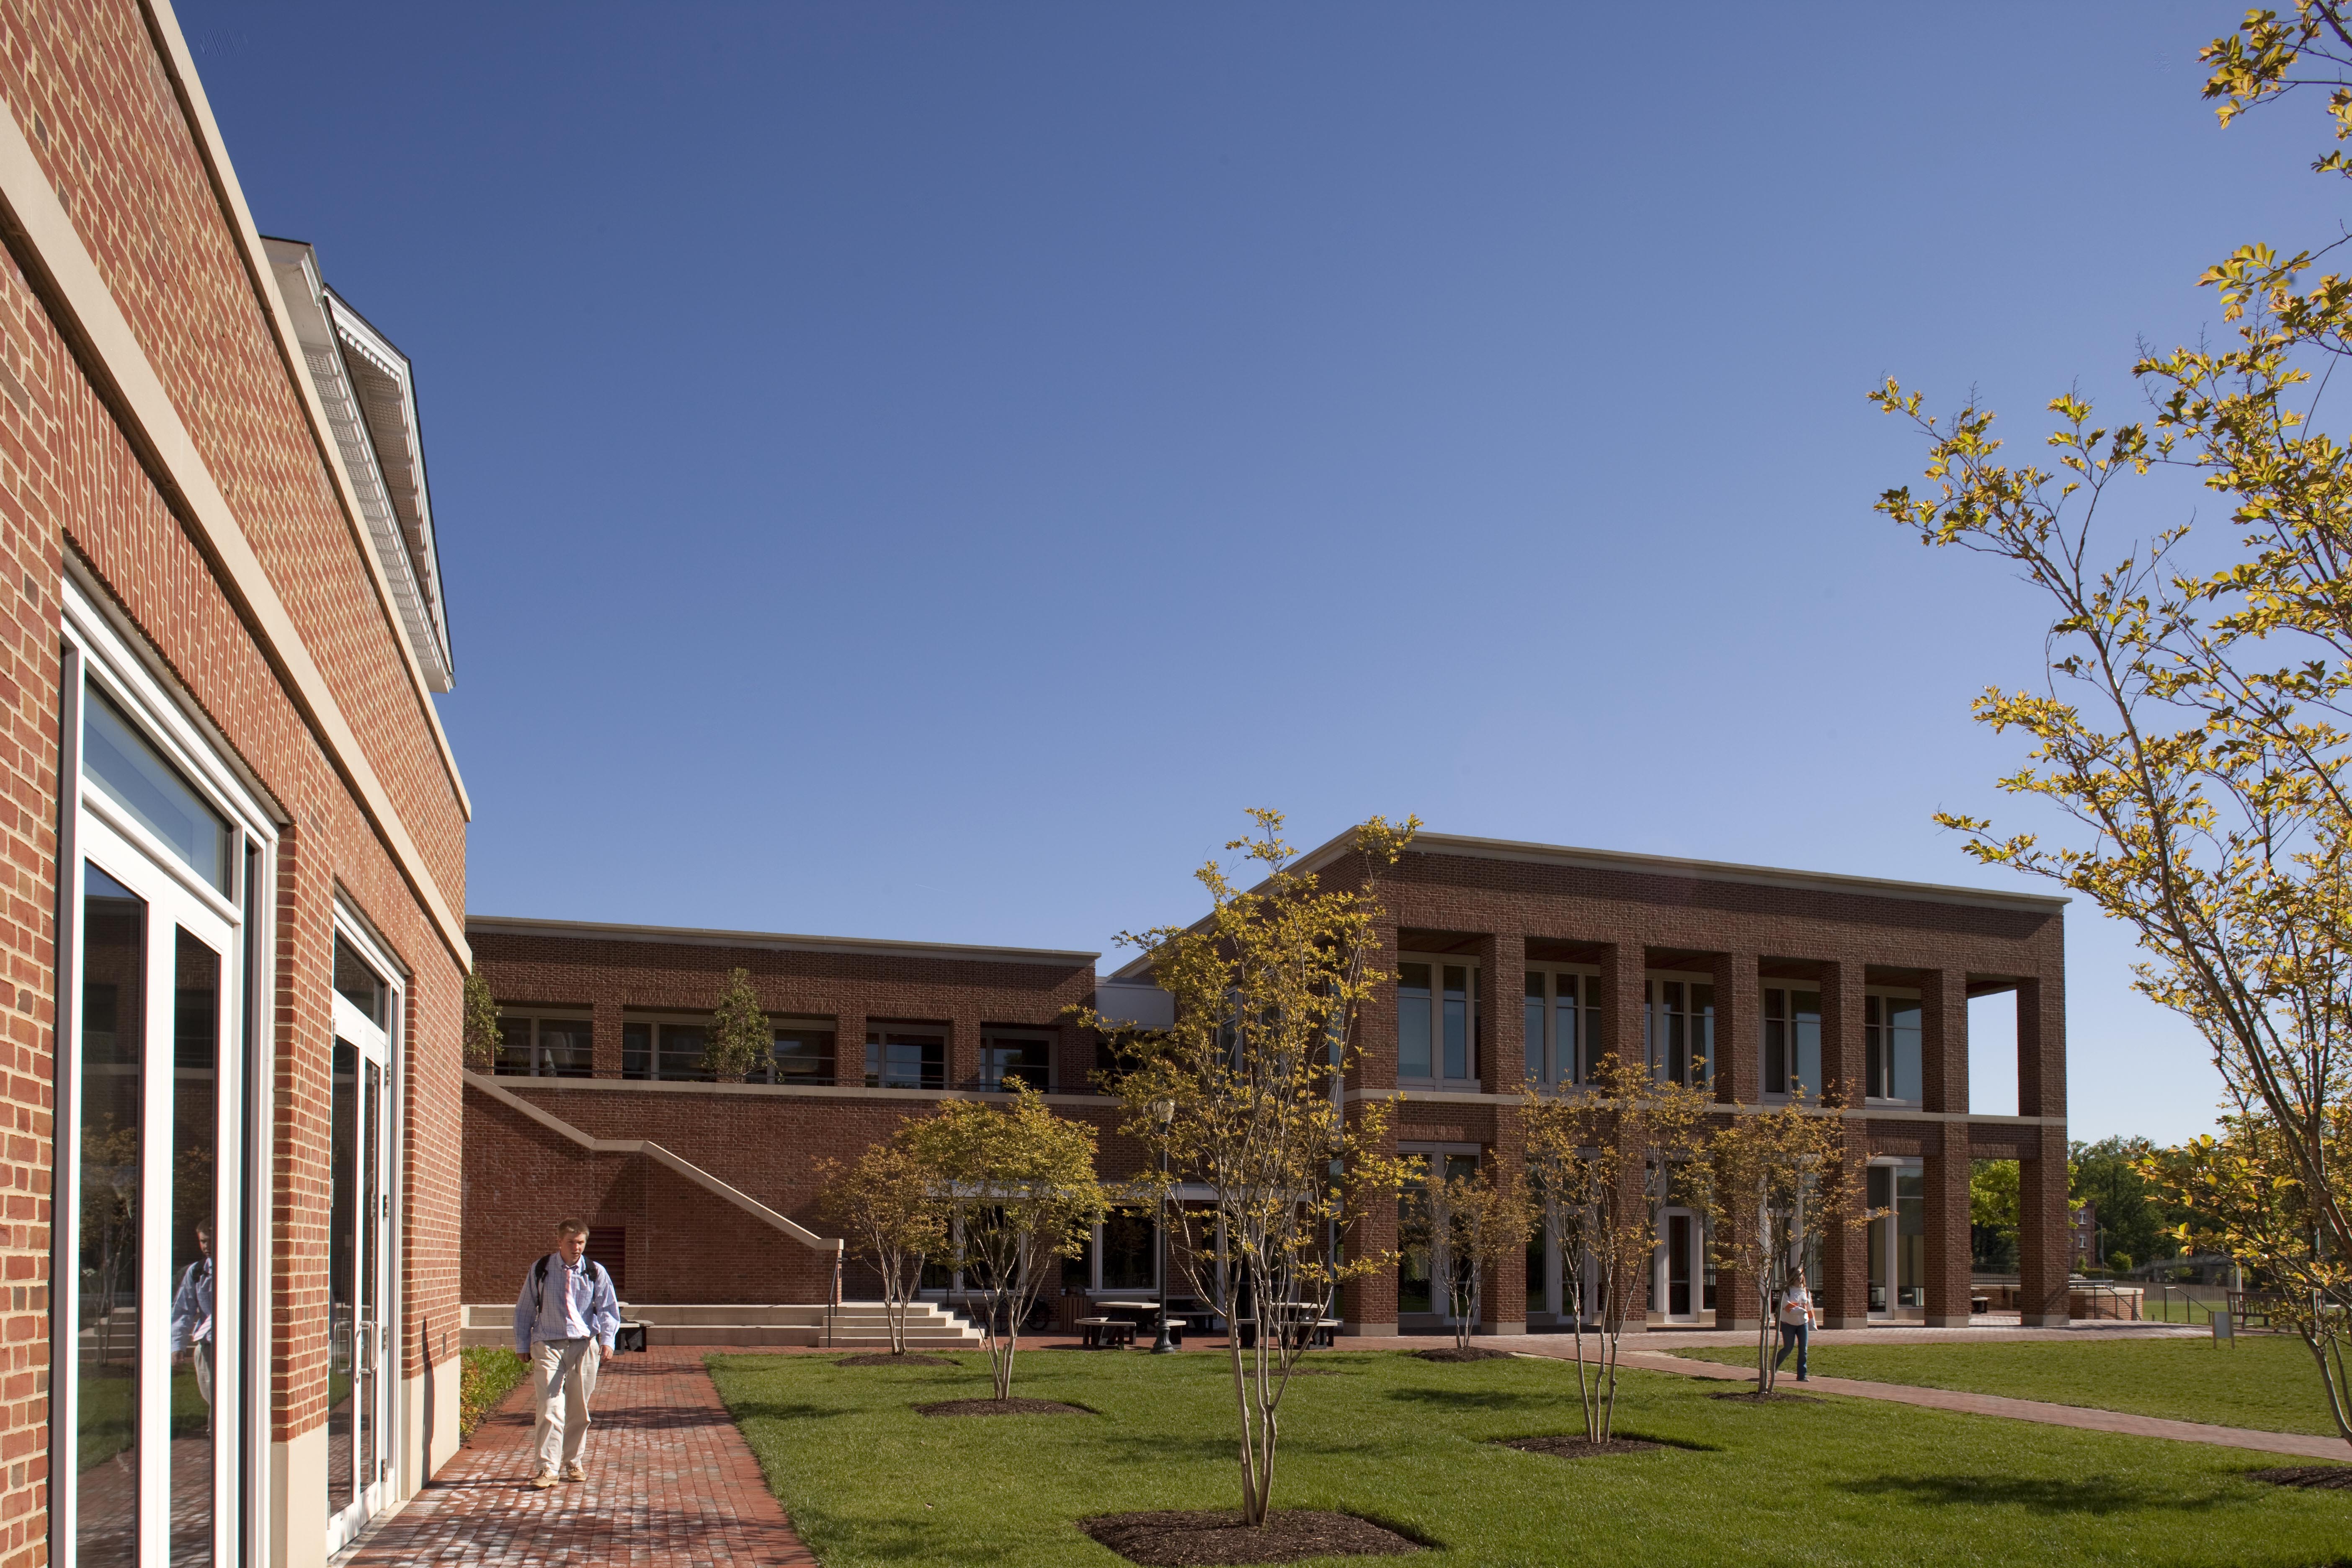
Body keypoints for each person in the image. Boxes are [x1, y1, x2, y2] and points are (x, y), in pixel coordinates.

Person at [512, 1217, 621, 1488]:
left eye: (581, 1242)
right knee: (550, 1406)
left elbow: (608, 1310)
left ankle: (573, 1461)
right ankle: (547, 1469)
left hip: (584, 1346)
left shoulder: (595, 1272)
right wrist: (522, 1345)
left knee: (578, 1410)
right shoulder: (542, 1269)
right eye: (571, 1242)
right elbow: (525, 1309)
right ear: (559, 1241)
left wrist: (608, 1341)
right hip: (547, 1343)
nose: (576, 1248)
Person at [169, 1222, 215, 1434]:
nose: (207, 1246)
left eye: (210, 1240)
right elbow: (183, 1310)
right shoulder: (197, 1272)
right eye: (203, 1241)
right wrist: (177, 1346)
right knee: (213, 1398)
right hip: (208, 1345)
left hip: (240, 1344)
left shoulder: (244, 1267)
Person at [1774, 1264, 1818, 1382]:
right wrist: (1800, 1310)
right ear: (1792, 1278)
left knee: (1804, 1349)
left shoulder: (1806, 1291)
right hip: (1788, 1323)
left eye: (1801, 1275)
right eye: (1796, 1275)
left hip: (1802, 1324)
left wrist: (1812, 1323)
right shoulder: (1786, 1291)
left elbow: (1809, 1307)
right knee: (1788, 1348)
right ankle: (1774, 1367)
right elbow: (1788, 1307)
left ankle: (1802, 1375)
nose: (1799, 1277)